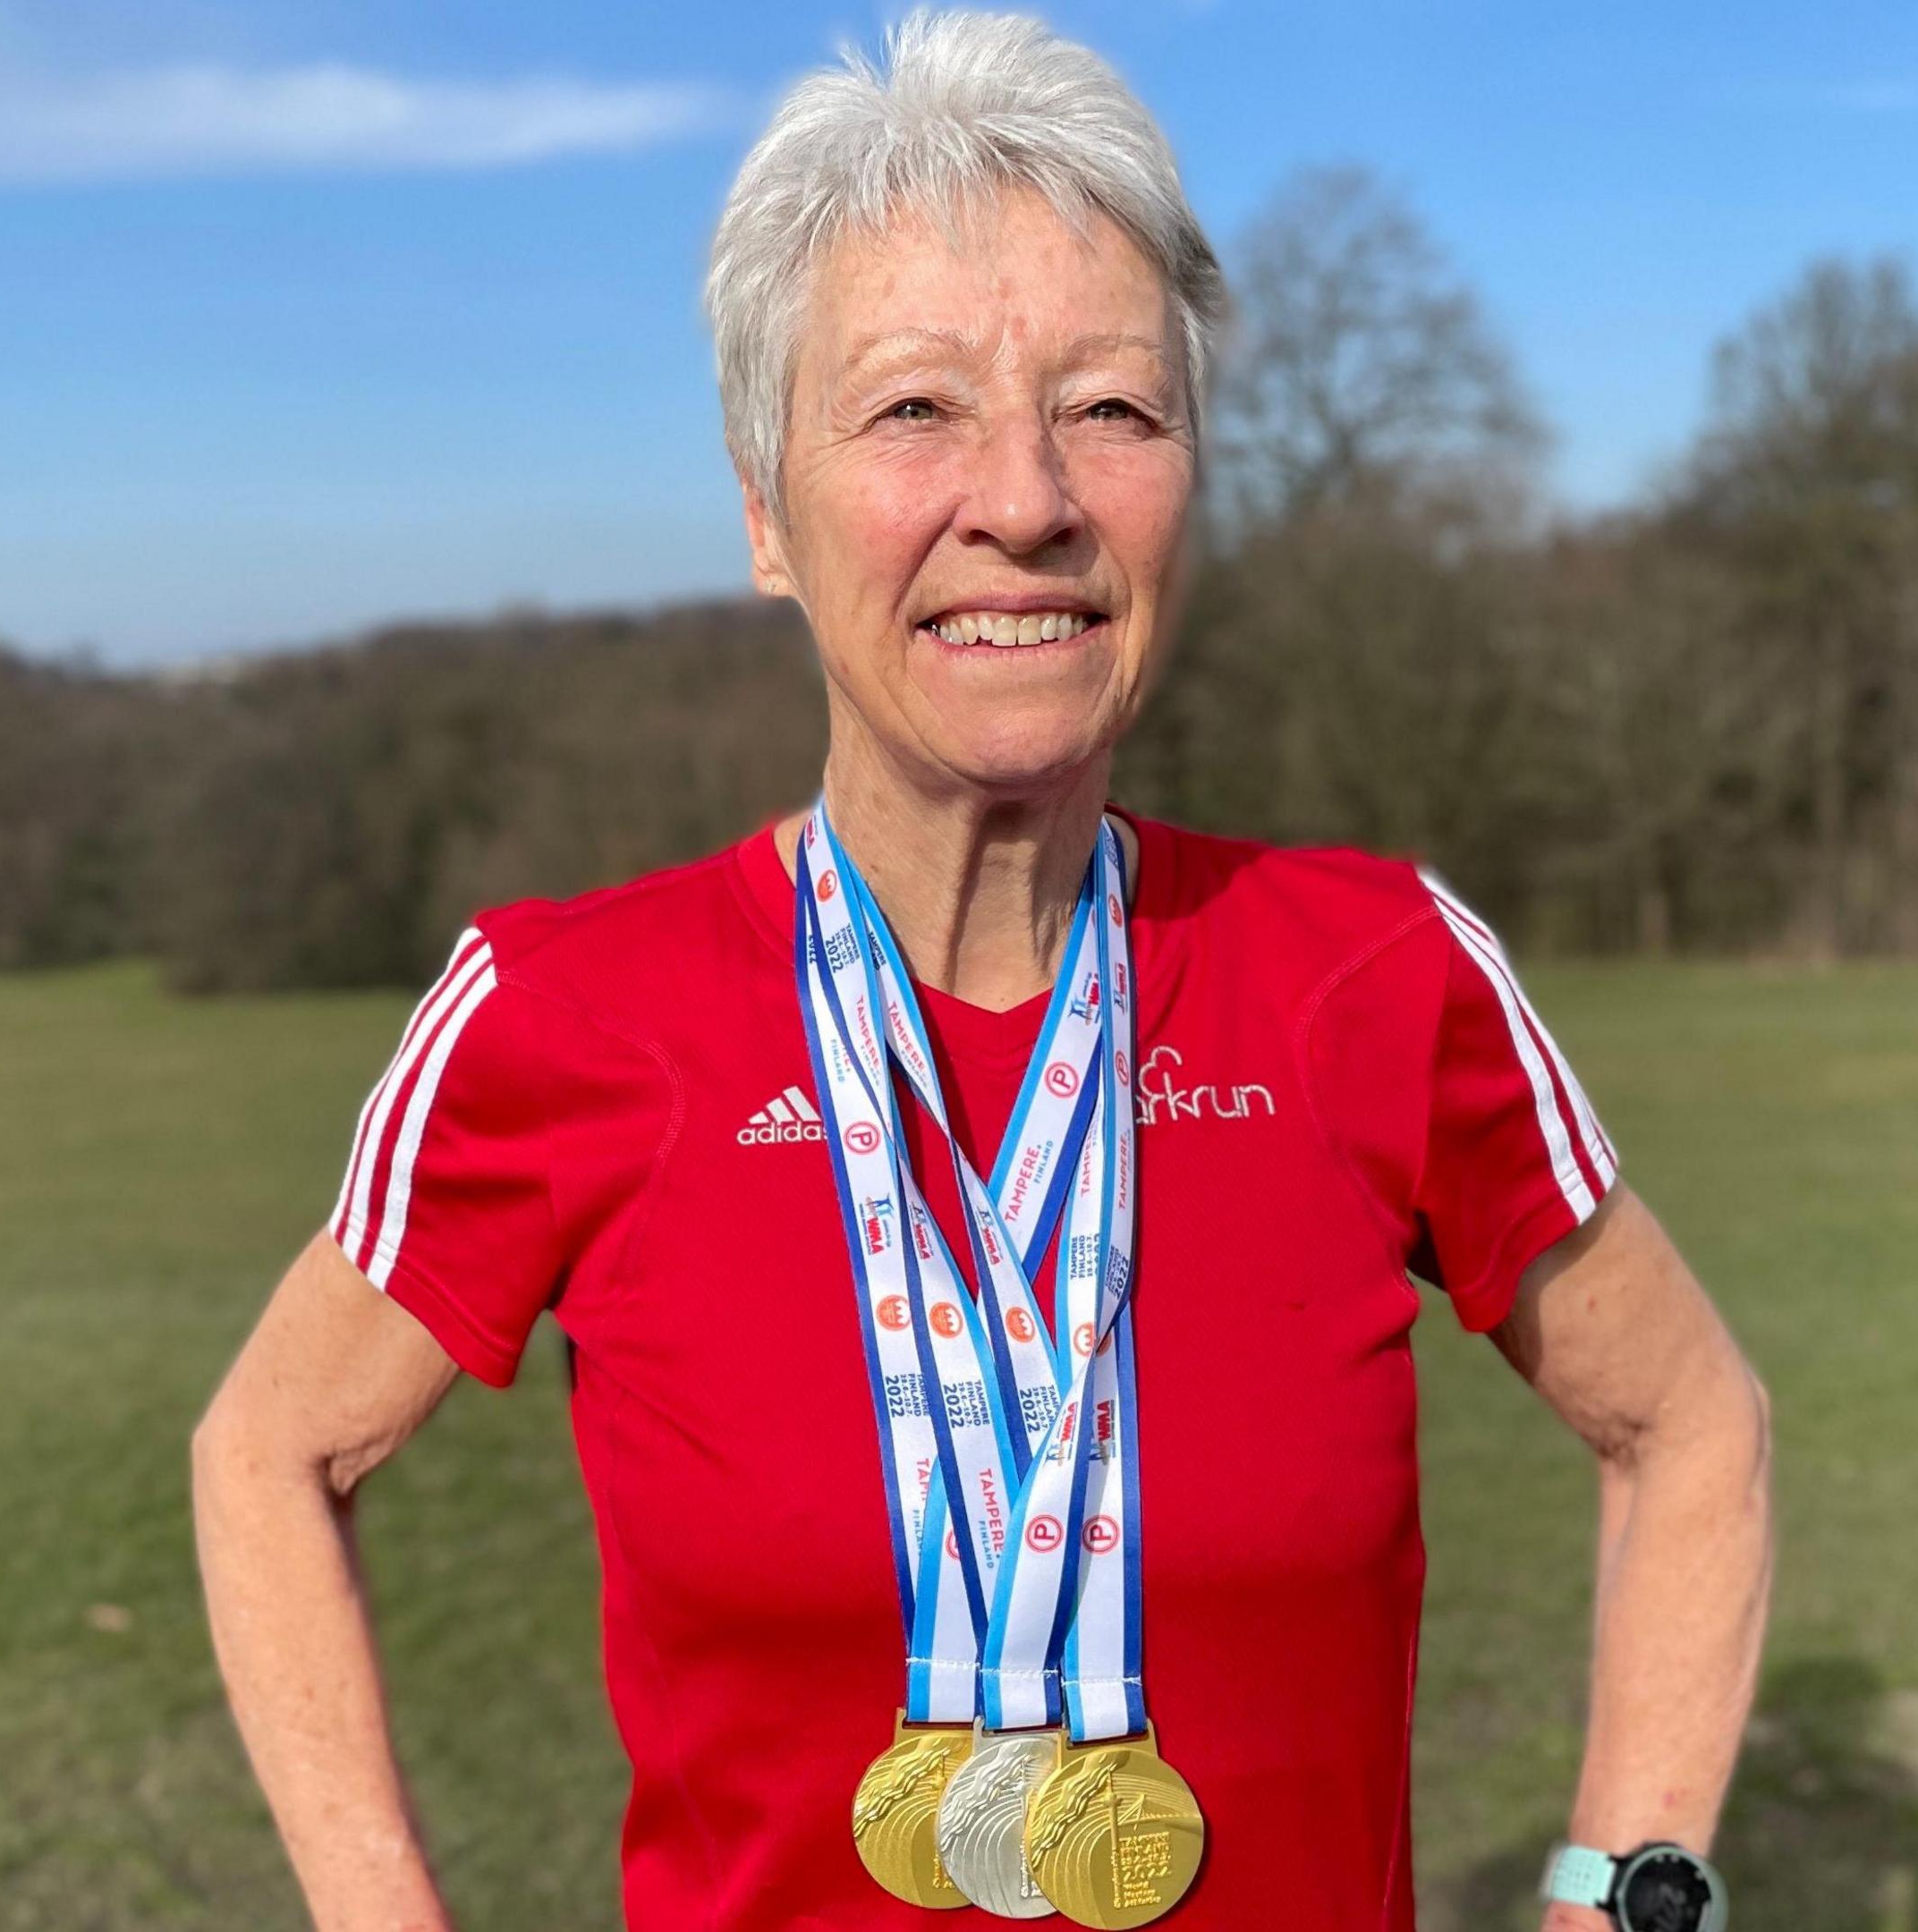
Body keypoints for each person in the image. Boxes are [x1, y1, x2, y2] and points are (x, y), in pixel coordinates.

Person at [189, 13, 1772, 1929]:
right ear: (768, 513)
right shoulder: (560, 1016)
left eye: (1112, 407)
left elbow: (1690, 1422)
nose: (1024, 499)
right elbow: (267, 1451)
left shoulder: (1375, 975)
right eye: (914, 407)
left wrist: (1625, 1891)